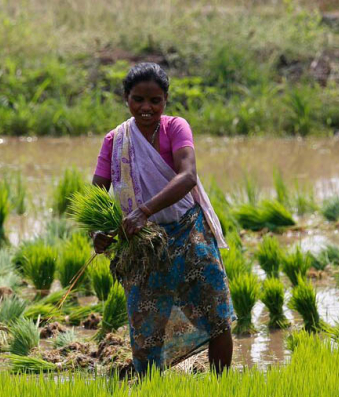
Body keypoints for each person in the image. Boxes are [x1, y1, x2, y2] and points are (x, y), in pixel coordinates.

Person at [91, 62, 234, 375]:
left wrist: (143, 210)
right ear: (126, 99)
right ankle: (149, 386)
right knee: (146, 327)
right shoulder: (116, 140)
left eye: (155, 100)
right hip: (144, 245)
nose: (146, 107)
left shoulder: (175, 128)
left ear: (165, 100)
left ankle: (222, 386)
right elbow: (98, 192)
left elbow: (188, 177)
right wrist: (100, 232)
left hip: (188, 231)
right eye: (138, 99)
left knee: (216, 315)